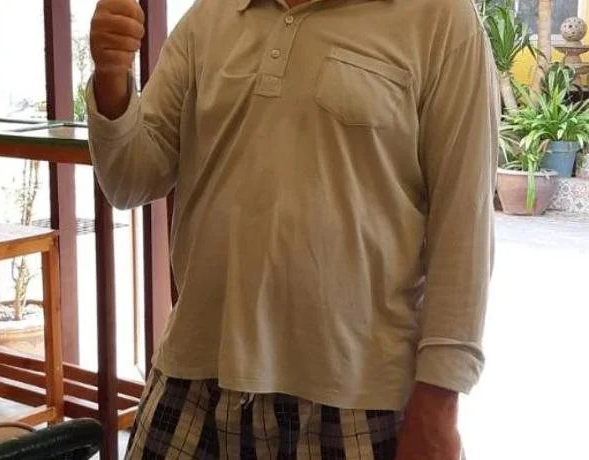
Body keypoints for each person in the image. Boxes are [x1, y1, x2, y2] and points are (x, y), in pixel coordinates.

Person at [87, 0, 498, 458]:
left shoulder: (441, 18)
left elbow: (464, 226)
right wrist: (111, 79)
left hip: (357, 398)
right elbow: (130, 178)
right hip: (195, 375)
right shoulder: (210, 16)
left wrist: (439, 406)